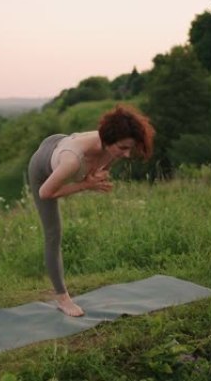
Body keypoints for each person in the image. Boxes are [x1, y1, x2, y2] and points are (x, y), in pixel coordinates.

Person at [27, 104, 155, 317]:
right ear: (107, 140)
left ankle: (62, 296)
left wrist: (94, 178)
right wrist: (86, 185)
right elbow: (45, 193)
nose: (126, 154)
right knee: (53, 233)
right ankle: (62, 298)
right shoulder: (72, 160)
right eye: (123, 148)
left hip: (61, 141)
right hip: (42, 169)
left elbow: (102, 164)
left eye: (129, 148)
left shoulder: (111, 145)